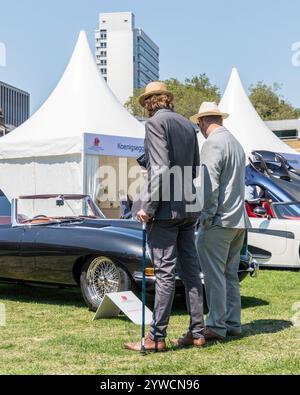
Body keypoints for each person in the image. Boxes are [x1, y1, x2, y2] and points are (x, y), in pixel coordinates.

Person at [125, 82, 205, 352]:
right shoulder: (187, 125)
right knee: (192, 272)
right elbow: (193, 169)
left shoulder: (154, 124)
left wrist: (148, 205)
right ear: (167, 100)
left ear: (149, 103)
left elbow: (159, 169)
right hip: (188, 206)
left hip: (165, 210)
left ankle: (156, 337)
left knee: (165, 273)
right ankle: (197, 332)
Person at [190, 102, 251, 341]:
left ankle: (216, 325)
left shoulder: (212, 143)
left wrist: (204, 218)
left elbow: (209, 187)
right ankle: (232, 323)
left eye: (199, 124)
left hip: (220, 221)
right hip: (238, 221)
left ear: (204, 121)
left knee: (215, 276)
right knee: (230, 276)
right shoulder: (236, 143)